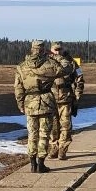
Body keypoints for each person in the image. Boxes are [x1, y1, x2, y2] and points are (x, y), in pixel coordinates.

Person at [14, 40, 73, 173]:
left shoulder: (22, 66)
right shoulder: (49, 64)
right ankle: (41, 163)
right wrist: (58, 56)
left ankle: (32, 163)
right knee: (44, 134)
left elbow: (18, 88)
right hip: (46, 101)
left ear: (32, 49)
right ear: (43, 50)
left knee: (32, 134)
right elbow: (67, 68)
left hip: (29, 103)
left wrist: (20, 103)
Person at [47, 41, 84, 160]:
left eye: (59, 50)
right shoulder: (46, 62)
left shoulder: (70, 62)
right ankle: (54, 147)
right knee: (53, 126)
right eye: (55, 50)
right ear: (51, 50)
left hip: (66, 98)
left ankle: (63, 148)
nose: (57, 52)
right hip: (51, 98)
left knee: (66, 125)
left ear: (63, 50)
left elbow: (79, 78)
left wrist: (77, 95)